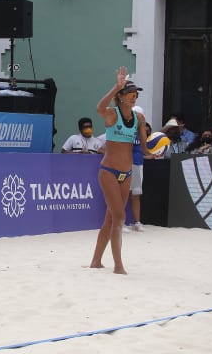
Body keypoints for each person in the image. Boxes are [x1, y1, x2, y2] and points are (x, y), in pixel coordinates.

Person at [90, 69, 150, 275]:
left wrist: (151, 153)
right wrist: (116, 86)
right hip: (108, 171)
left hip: (127, 172)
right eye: (130, 94)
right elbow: (98, 107)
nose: (134, 97)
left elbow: (143, 146)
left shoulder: (139, 117)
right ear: (121, 97)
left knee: (111, 218)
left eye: (136, 95)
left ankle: (96, 261)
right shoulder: (111, 114)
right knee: (119, 215)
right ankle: (118, 265)